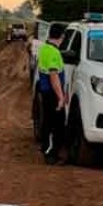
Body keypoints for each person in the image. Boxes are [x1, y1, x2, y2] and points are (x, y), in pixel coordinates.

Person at [36, 23, 67, 165]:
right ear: (62, 36)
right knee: (56, 125)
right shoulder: (54, 52)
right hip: (52, 93)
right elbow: (53, 76)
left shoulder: (44, 49)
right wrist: (61, 97)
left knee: (49, 122)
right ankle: (50, 152)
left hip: (45, 91)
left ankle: (49, 151)